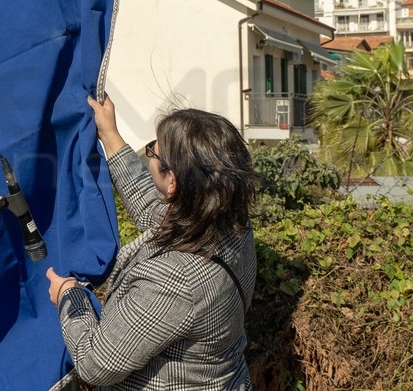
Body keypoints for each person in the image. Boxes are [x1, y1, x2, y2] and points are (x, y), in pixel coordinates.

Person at [46, 95, 257, 390]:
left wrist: (69, 296)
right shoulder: (230, 223)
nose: (149, 157)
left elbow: (96, 364)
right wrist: (110, 136)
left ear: (173, 182)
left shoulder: (173, 280)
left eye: (152, 153)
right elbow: (152, 209)